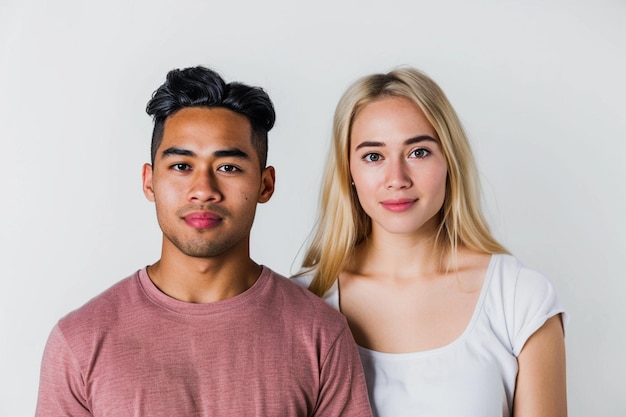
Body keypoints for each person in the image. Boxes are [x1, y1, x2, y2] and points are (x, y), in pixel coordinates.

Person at [35, 65, 372, 417]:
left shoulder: (320, 334)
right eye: (181, 166)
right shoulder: (79, 341)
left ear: (265, 184)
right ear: (149, 181)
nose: (203, 191)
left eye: (228, 167)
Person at [293, 67, 567, 417]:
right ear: (348, 172)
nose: (397, 179)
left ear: (450, 160)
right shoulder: (304, 301)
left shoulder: (519, 298)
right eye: (373, 156)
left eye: (418, 152)